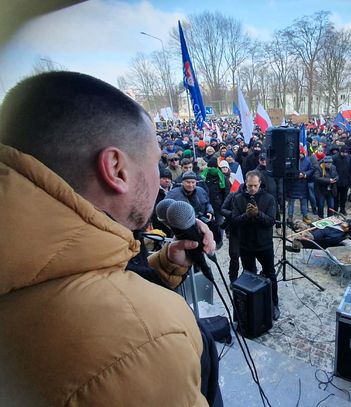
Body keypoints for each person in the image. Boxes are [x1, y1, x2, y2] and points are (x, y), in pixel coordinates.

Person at [0, 72, 215, 405]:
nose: (161, 176)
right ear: (116, 169)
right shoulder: (150, 341)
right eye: (156, 161)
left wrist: (161, 265)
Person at [231, 170, 279, 320]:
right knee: (249, 275)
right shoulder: (238, 198)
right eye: (250, 185)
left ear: (260, 184)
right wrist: (246, 215)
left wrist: (258, 214)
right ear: (246, 183)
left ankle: (274, 303)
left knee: (270, 274)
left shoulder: (269, 198)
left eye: (255, 185)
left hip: (264, 244)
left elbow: (271, 221)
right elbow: (235, 221)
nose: (252, 188)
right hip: (246, 245)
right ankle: (252, 305)